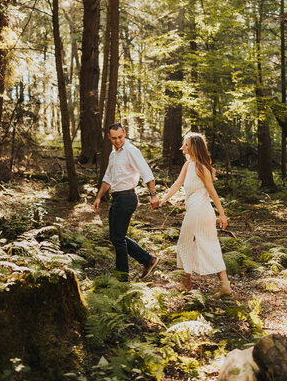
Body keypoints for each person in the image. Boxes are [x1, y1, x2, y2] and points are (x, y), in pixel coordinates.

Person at [158, 132, 233, 295]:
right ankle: (224, 286)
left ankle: (186, 283)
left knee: (185, 244)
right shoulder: (188, 165)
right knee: (205, 245)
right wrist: (163, 199)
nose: (182, 147)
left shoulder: (200, 166)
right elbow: (177, 184)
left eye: (186, 144)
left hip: (200, 211)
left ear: (193, 147)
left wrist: (222, 214)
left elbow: (212, 191)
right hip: (196, 211)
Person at [93, 123, 159, 282]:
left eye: (120, 137)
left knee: (118, 238)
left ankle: (122, 277)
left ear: (125, 133)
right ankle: (147, 259)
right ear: (109, 137)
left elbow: (147, 173)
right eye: (114, 138)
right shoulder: (113, 154)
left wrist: (153, 195)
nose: (118, 141)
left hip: (127, 198)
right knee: (116, 236)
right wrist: (99, 197)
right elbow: (108, 178)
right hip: (117, 198)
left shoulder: (131, 150)